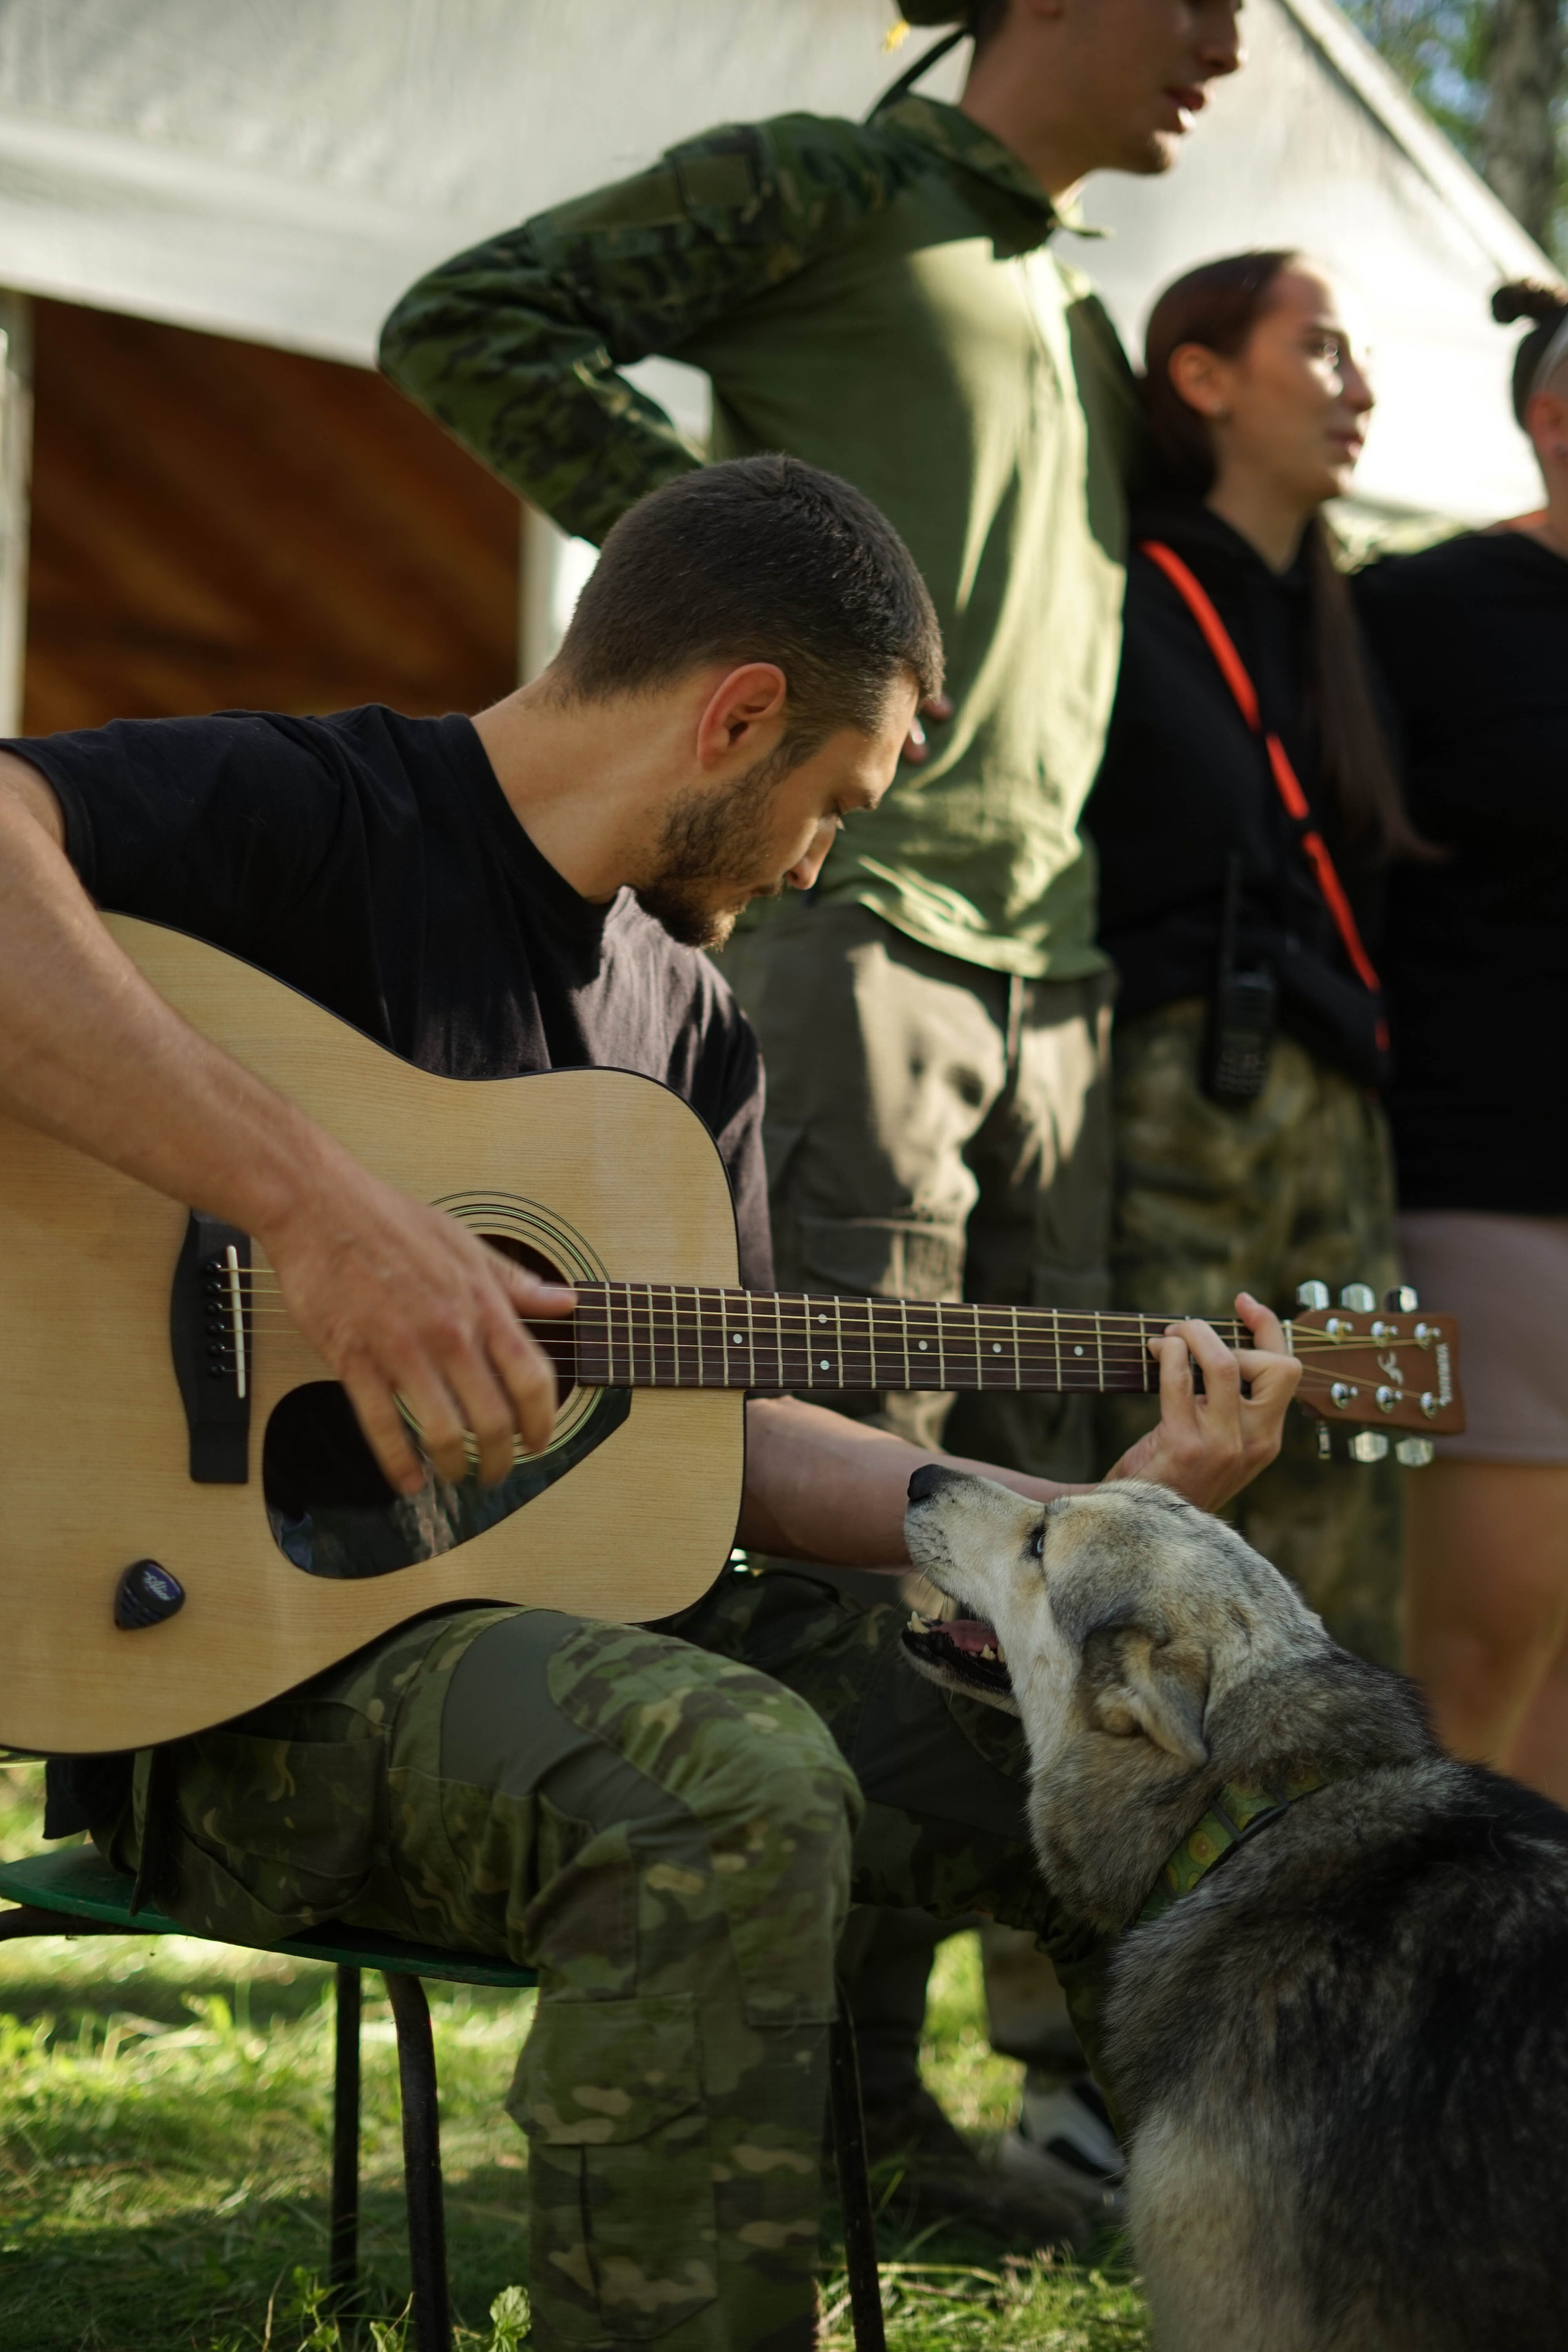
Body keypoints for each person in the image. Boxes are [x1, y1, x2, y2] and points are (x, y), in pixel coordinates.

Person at [2, 456, 1297, 2352]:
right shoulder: (318, 815)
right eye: (831, 806)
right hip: (234, 1686)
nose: (817, 866)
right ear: (740, 714)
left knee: (1162, 1740)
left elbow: (739, 1432)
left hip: (557, 1640)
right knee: (730, 1778)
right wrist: (319, 1210)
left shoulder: (691, 1031)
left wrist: (1077, 1528)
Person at [375, 0, 1246, 2230]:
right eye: (1194, 3)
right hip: (860, 960)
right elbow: (468, 319)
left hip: (1058, 985)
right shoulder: (832, 187)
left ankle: (999, 2083)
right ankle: (849, 2118)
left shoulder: (1076, 297)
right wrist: (748, 607)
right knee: (860, 1546)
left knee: (1020, 1551)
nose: (1229, 52)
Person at [1084, 250, 1425, 1672]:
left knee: (1351, 1488)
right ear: (1202, 378)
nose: (1359, 389)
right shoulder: (1118, 586)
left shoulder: (1348, 622)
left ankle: (1337, 1856)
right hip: (1180, 1093)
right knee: (1194, 1472)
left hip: (1339, 1108)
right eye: (1323, 349)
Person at [1355, 282, 1568, 1803]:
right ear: (1554, 424)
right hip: (1491, 1178)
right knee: (1482, 1638)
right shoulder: (1415, 615)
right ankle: (1416, 1988)